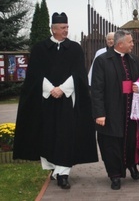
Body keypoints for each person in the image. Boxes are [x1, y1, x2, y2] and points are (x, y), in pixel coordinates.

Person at [13, 12, 98, 189]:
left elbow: (79, 74)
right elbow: (35, 74)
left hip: (67, 100)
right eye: (62, 28)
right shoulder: (39, 49)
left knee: (66, 136)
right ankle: (54, 168)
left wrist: (62, 89)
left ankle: (63, 174)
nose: (66, 30)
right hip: (46, 101)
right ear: (53, 29)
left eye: (67, 27)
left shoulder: (75, 48)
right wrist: (50, 89)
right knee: (48, 134)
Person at [91, 29, 139, 190]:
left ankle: (132, 165)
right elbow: (96, 89)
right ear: (120, 44)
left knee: (131, 141)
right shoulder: (102, 60)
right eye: (130, 42)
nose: (133, 44)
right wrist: (99, 113)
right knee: (111, 143)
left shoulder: (134, 59)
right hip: (111, 110)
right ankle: (115, 174)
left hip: (131, 110)